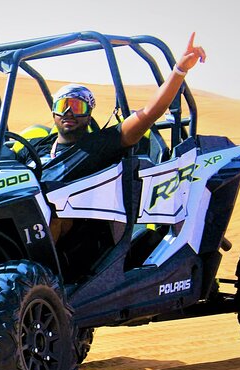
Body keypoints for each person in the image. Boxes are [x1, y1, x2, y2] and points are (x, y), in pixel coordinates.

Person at [25, 33, 206, 239]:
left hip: (71, 230)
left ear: (89, 112)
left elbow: (147, 114)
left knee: (48, 214)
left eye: (77, 106)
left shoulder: (97, 145)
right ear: (53, 112)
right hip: (25, 219)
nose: (68, 113)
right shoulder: (34, 147)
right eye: (62, 106)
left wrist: (179, 71)